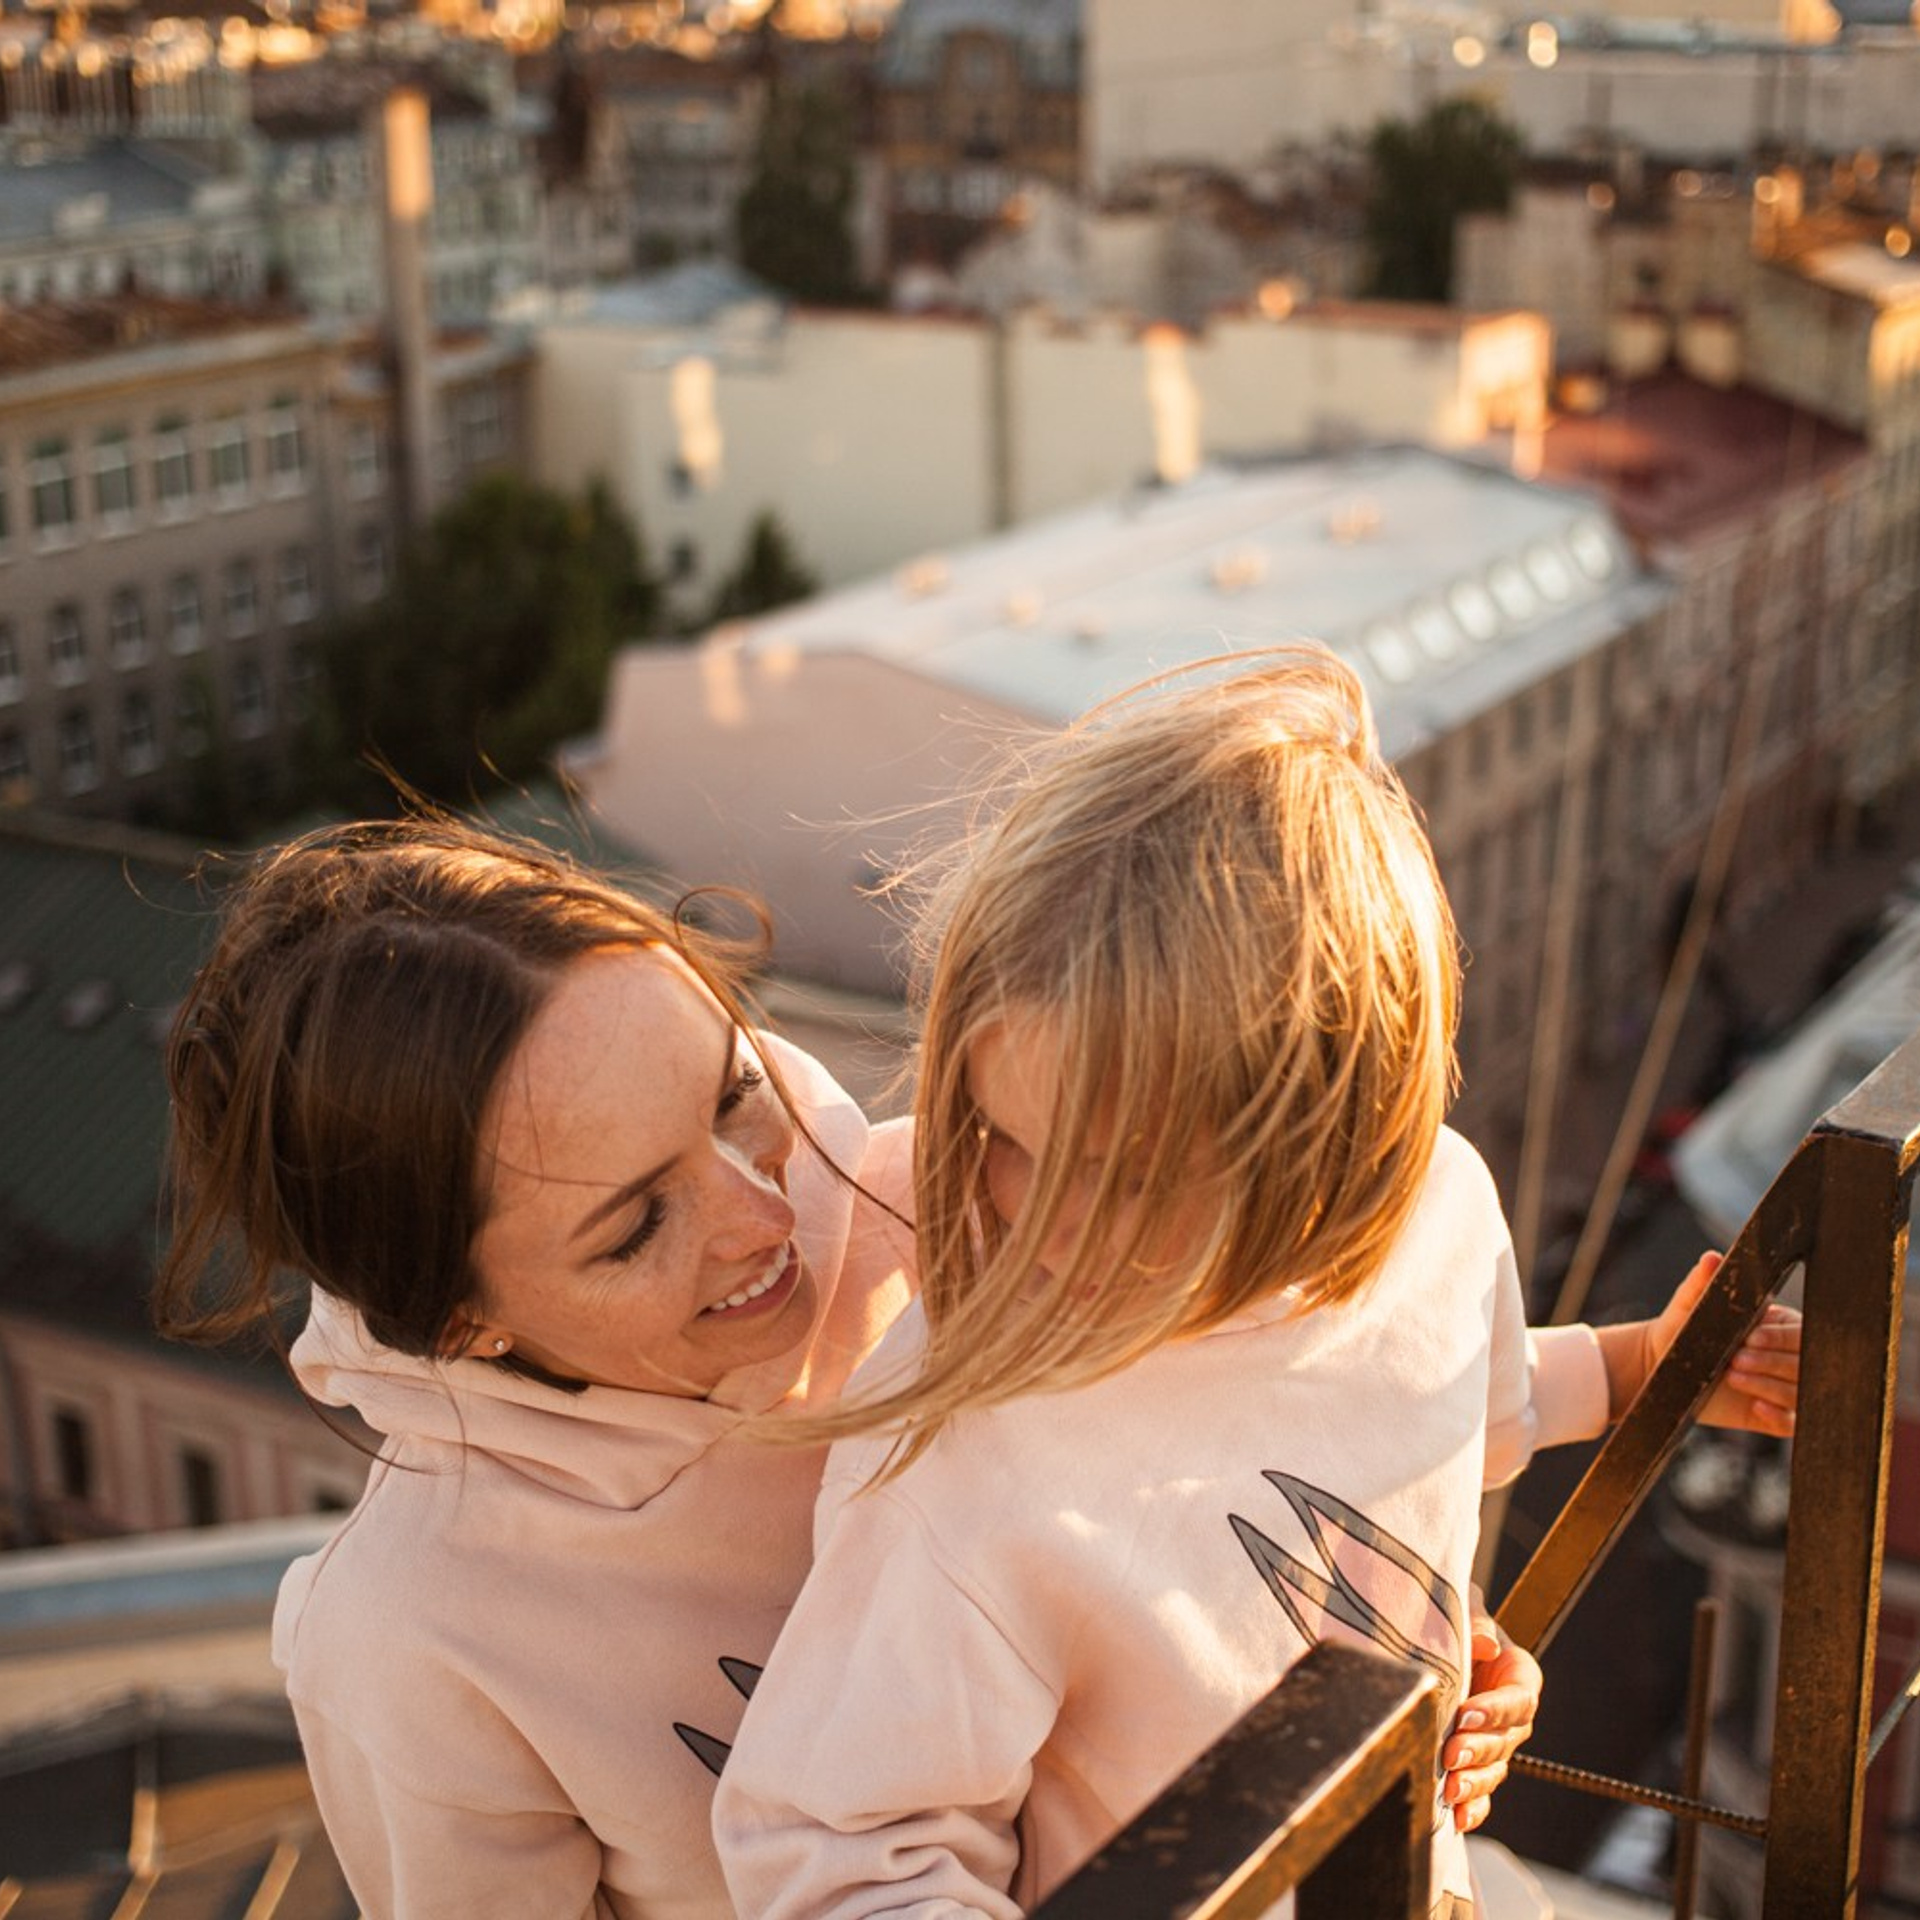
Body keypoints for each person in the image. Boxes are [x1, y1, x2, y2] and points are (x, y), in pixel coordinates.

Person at [154, 812, 1792, 1919]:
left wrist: (1396, 1646)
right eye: (634, 1225)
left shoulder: (923, 1191)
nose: (762, 1216)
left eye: (732, 1092)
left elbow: (1253, 1415)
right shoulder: (408, 1642)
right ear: (462, 1325)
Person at [711, 650, 1798, 1919]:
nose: (1034, 1220)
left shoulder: (1434, 1213)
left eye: (1118, 1174)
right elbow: (839, 1855)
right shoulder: (962, 1467)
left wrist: (1626, 1374)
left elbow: (1453, 1396)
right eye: (1000, 1139)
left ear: (1328, 1139)